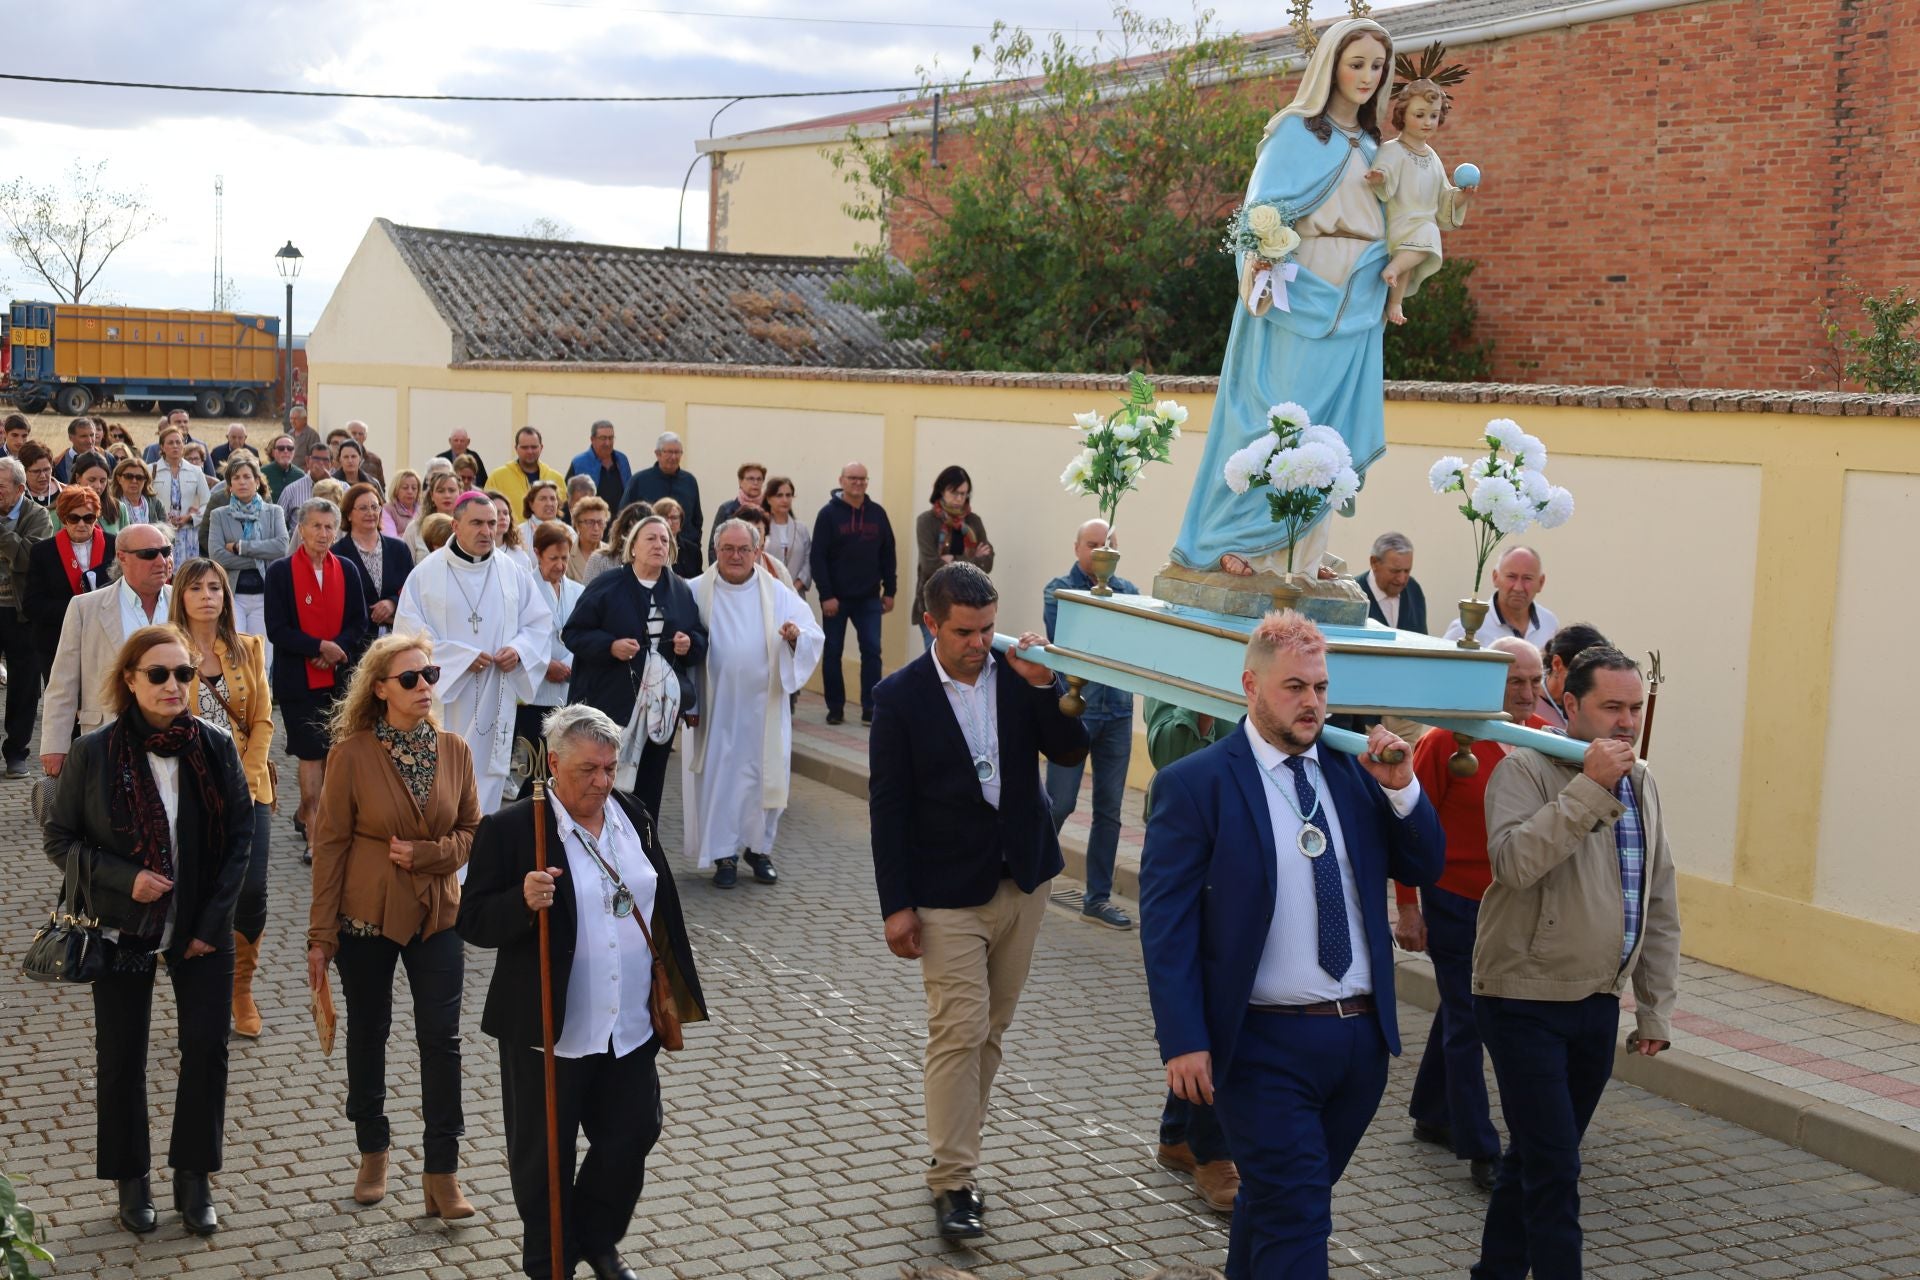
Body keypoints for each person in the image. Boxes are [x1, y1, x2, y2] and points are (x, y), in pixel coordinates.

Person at [1138, 610, 1443, 1280]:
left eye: (1321, 688)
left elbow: (1423, 864)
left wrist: (1403, 790)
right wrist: (1183, 1037)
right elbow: (1168, 925)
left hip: (1360, 1045)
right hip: (1262, 1046)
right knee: (1300, 1216)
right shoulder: (1196, 785)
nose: (1311, 703)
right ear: (1252, 684)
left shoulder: (1354, 770)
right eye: (1295, 687)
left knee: (1280, 1206)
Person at [868, 562, 1088, 1240]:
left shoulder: (1017, 678)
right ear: (932, 624)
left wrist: (1046, 685)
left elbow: (1072, 747)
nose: (979, 642)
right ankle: (955, 1182)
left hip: (1023, 881)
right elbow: (889, 808)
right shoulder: (900, 697)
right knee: (958, 1032)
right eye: (965, 631)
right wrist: (896, 905)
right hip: (945, 895)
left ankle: (953, 1147)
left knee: (990, 1031)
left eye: (988, 628)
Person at [458, 703, 706, 1280]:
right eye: (588, 771)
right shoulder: (516, 827)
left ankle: (595, 1239)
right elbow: (471, 920)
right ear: (554, 765)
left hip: (629, 1026)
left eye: (610, 768)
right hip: (551, 1028)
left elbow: (657, 902)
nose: (602, 782)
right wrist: (520, 901)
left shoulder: (633, 814)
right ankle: (549, 1265)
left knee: (633, 1132)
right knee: (544, 1160)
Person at [1472, 647, 1680, 1280]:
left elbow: (1659, 896)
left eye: (1635, 708)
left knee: (1536, 1162)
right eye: (1610, 707)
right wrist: (1590, 787)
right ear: (1569, 706)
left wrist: (1654, 1008)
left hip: (1595, 1001)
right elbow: (1513, 864)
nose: (1626, 723)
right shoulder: (1525, 769)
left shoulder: (1642, 783)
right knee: (1556, 1168)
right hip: (1522, 999)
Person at [43, 623, 252, 1236]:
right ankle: (131, 1180)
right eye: (157, 674)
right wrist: (121, 878)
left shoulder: (214, 746)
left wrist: (212, 924)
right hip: (123, 927)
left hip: (200, 924)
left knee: (207, 1050)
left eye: (183, 673)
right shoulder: (95, 751)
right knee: (122, 1055)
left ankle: (194, 1175)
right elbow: (60, 838)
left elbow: (241, 840)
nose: (171, 685)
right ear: (129, 679)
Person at [1169, 17, 1396, 580]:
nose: (1368, 76)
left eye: (1377, 66)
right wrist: (1263, 263)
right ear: (1330, 67)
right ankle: (1243, 541)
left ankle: (1304, 548)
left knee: (1330, 426)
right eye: (1357, 63)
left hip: (1359, 298)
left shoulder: (1375, 147)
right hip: (1298, 297)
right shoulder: (1294, 133)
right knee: (1277, 416)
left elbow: (1404, 217)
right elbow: (1257, 217)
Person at [307, 633, 480, 1217]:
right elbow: (328, 845)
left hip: (436, 912)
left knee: (442, 1039)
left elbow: (472, 831)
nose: (424, 686)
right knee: (369, 1031)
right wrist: (319, 934)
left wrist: (429, 856)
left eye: (428, 674)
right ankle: (372, 1149)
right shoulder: (351, 755)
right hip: (366, 915)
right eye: (409, 678)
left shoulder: (455, 749)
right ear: (379, 690)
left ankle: (442, 1172)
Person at [1395, 636, 1549, 1192]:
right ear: (1489, 683)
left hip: (1510, 904)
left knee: (1462, 1010)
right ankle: (1480, 1144)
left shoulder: (1539, 742)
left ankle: (1432, 1110)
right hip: (1454, 900)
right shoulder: (1445, 743)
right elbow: (1409, 825)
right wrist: (1408, 908)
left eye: (1536, 682)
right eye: (1517, 682)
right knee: (1471, 1017)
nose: (1530, 694)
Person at [681, 519, 823, 888]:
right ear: (716, 551)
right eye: (728, 548)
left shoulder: (777, 593)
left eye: (744, 549)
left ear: (757, 552)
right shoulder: (695, 591)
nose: (735, 556)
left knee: (763, 780)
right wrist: (689, 704)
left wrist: (796, 638)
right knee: (720, 780)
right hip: (716, 709)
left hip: (765, 710)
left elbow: (811, 632)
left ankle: (759, 851)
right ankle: (723, 856)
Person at [394, 490, 553, 817]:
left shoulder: (512, 571)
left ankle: (480, 865)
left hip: (497, 695)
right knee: (443, 786)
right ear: (456, 524)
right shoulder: (426, 574)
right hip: (445, 700)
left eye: (492, 523)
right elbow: (408, 635)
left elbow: (538, 623)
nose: (486, 531)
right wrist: (460, 657)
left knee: (487, 793)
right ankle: (448, 865)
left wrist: (520, 651)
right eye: (477, 523)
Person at [171, 559, 277, 1040]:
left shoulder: (249, 648)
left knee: (251, 889)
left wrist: (250, 779)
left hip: (249, 787)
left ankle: (242, 987)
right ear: (181, 596)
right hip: (190, 790)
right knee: (198, 889)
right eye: (196, 588)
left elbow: (262, 720)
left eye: (215, 587)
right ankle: (198, 988)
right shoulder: (165, 650)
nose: (208, 595)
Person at [1141, 698, 1239, 1214]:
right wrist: (1205, 707)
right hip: (1198, 834)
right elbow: (1171, 753)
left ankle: (1178, 1134)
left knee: (1222, 991)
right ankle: (1212, 1154)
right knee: (1211, 996)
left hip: (1251, 833)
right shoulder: (1184, 664)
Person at [562, 515, 706, 823]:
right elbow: (573, 633)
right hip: (612, 702)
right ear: (633, 548)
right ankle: (598, 842)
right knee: (605, 779)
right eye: (651, 538)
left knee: (649, 785)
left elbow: (699, 638)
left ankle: (643, 848)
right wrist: (610, 646)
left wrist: (688, 643)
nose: (658, 545)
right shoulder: (608, 585)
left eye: (665, 540)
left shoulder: (679, 590)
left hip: (659, 707)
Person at [266, 498, 371, 864]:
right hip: (299, 679)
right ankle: (314, 834)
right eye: (316, 526)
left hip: (340, 678)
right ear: (301, 528)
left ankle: (330, 824)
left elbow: (360, 623)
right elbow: (276, 628)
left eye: (330, 527)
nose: (323, 534)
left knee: (336, 755)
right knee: (311, 753)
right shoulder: (280, 572)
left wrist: (335, 648)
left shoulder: (347, 568)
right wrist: (316, 646)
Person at [1041, 518, 1134, 928]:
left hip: (1118, 713)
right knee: (1059, 804)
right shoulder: (1058, 589)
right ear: (1077, 546)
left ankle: (1097, 900)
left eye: (1107, 544)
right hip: (1075, 711)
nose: (1100, 551)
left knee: (1109, 811)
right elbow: (1071, 640)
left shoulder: (1129, 593)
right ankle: (1031, 879)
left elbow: (1130, 645)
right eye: (1092, 543)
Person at [39, 524, 174, 777]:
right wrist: (55, 746)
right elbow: (63, 683)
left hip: (174, 739)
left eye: (166, 551)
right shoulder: (85, 607)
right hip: (109, 739)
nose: (162, 561)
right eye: (149, 554)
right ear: (122, 557)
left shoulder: (185, 601)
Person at [811, 461, 896, 726]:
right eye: (852, 478)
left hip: (870, 598)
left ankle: (870, 708)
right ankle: (835, 707)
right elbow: (818, 558)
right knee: (833, 652)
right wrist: (826, 595)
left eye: (862, 479)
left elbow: (888, 554)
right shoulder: (828, 515)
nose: (858, 483)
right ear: (842, 480)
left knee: (872, 652)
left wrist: (890, 590)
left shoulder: (877, 514)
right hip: (836, 599)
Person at [25, 487, 115, 722]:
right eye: (73, 518)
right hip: (57, 640)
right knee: (65, 709)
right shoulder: (43, 552)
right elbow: (32, 604)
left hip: (103, 640)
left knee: (102, 704)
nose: (81, 524)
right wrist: (78, 610)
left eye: (88, 518)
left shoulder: (115, 547)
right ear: (63, 518)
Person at [0, 456, 56, 776]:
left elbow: (27, 561)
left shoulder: (38, 517)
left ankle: (16, 753)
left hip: (22, 614)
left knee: (24, 687)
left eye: (1, 488)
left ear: (21, 488)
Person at [518, 521, 585, 777]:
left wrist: (570, 662)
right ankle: (529, 814)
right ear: (537, 553)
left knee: (561, 766)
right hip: (535, 690)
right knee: (539, 767)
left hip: (568, 686)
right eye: (553, 558)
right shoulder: (523, 588)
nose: (559, 565)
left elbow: (582, 632)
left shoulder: (578, 591)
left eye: (565, 558)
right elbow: (517, 634)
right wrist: (545, 664)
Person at [207, 456, 288, 662]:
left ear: (257, 481)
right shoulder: (219, 515)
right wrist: (261, 557)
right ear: (230, 485)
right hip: (234, 595)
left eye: (247, 477)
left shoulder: (273, 512)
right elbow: (217, 556)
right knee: (236, 653)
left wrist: (240, 547)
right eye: (236, 477)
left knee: (262, 657)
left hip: (265, 595)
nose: (242, 481)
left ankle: (263, 695)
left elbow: (281, 547)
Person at [913, 465, 995, 650]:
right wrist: (971, 559)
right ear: (941, 490)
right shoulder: (927, 521)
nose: (960, 499)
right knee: (937, 661)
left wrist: (953, 559)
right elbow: (930, 566)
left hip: (970, 604)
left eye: (964, 494)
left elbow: (987, 563)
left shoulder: (974, 522)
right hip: (934, 603)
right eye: (955, 493)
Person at [339, 482, 413, 644]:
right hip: (355, 642)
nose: (371, 512)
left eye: (375, 506)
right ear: (349, 514)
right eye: (363, 508)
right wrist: (373, 614)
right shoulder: (337, 553)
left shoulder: (399, 549)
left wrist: (392, 603)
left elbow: (412, 589)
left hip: (397, 639)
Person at [620, 430, 704, 574]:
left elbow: (697, 520)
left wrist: (691, 546)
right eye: (669, 452)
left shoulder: (690, 481)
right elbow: (624, 517)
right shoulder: (639, 481)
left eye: (678, 452)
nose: (674, 457)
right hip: (648, 555)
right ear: (657, 453)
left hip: (683, 557)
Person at [1444, 545, 1557, 647]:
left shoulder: (1549, 624)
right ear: (1495, 577)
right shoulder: (1465, 629)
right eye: (1511, 576)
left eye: (1527, 578)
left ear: (1541, 582)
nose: (1518, 587)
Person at [1536, 622, 1609, 732]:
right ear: (1557, 664)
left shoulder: (1594, 710)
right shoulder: (1527, 705)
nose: (1591, 685)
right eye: (1583, 675)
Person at [153, 426, 211, 561]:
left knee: (188, 573)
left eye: (178, 442)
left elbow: (207, 504)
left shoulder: (196, 471)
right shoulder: (152, 470)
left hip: (189, 532)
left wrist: (190, 517)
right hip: (160, 531)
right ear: (162, 447)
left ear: (183, 445)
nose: (175, 446)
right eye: (170, 443)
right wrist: (162, 518)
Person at [487, 426, 564, 518]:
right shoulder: (497, 477)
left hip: (549, 531)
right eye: (525, 447)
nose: (530, 451)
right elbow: (486, 510)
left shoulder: (556, 478)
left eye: (534, 447)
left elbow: (563, 512)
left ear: (541, 447)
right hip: (511, 532)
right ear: (516, 448)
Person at [1357, 531, 1426, 633]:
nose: (1402, 579)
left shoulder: (1413, 590)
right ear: (1374, 563)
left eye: (1407, 571)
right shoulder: (1353, 595)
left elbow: (1422, 641)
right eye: (1395, 571)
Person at [761, 474, 811, 597]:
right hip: (767, 592)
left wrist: (794, 587)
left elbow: (808, 561)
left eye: (788, 495)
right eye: (779, 495)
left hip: (795, 594)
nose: (785, 500)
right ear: (768, 499)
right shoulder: (761, 527)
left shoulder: (801, 529)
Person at [565, 419, 631, 507]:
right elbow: (568, 496)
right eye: (603, 438)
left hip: (619, 519)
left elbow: (629, 491)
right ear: (592, 439)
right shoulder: (579, 463)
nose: (608, 443)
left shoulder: (622, 460)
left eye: (611, 438)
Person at [584, 500, 653, 583]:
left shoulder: (659, 563)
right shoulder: (599, 560)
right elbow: (589, 594)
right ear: (622, 531)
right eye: (631, 529)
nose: (635, 536)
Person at [707, 461, 766, 558]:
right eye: (751, 479)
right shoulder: (727, 509)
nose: (756, 483)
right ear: (740, 481)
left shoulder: (768, 509)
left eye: (759, 479)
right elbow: (713, 545)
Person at [406, 470, 464, 564]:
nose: (447, 495)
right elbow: (405, 566)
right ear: (432, 496)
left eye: (452, 490)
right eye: (440, 491)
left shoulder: (467, 527)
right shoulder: (415, 528)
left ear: (460, 493)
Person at [731, 503, 793, 589]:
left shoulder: (777, 568)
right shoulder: (725, 566)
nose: (753, 536)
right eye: (747, 531)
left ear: (765, 536)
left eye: (758, 530)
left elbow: (792, 600)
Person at [105, 456, 163, 536]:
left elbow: (166, 531)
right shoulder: (111, 505)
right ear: (119, 479)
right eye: (129, 476)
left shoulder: (155, 503)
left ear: (145, 481)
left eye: (139, 477)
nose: (134, 481)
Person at [277, 438, 334, 517]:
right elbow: (279, 520)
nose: (321, 463)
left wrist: (329, 482)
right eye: (316, 459)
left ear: (332, 464)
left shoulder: (343, 488)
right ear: (307, 461)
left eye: (325, 460)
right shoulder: (291, 490)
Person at [491, 489, 536, 577]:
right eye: (496, 512)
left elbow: (528, 588)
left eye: (506, 513)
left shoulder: (519, 555)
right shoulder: (474, 552)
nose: (503, 517)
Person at [566, 496, 609, 583]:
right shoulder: (566, 554)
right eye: (590, 522)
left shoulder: (612, 555)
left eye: (600, 522)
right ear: (578, 525)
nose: (596, 528)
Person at [17, 440, 63, 512]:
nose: (43, 476)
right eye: (36, 471)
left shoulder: (65, 492)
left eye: (46, 469)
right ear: (23, 471)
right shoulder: (15, 496)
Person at [53, 414, 98, 482]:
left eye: (92, 435)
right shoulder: (58, 464)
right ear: (70, 438)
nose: (89, 440)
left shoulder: (107, 458)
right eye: (83, 436)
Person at [520, 479, 564, 548]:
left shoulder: (569, 532)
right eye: (543, 499)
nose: (549, 503)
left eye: (552, 499)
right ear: (531, 505)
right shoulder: (519, 533)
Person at [345, 420, 386, 488]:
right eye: (354, 433)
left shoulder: (375, 460)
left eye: (361, 434)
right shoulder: (339, 457)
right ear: (346, 435)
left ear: (365, 437)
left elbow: (381, 486)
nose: (357, 437)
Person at [381, 469, 422, 539]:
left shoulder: (424, 509)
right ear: (396, 490)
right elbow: (391, 540)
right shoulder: (388, 509)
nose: (410, 491)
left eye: (414, 488)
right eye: (405, 488)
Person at [261, 434, 300, 501]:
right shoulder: (261, 474)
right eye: (281, 448)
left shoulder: (300, 475)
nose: (285, 451)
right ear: (273, 452)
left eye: (290, 448)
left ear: (294, 452)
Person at [288, 404, 324, 471]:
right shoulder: (290, 433)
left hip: (303, 472)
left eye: (295, 419)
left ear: (305, 419)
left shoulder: (312, 435)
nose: (292, 421)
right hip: (289, 470)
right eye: (291, 418)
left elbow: (315, 456)